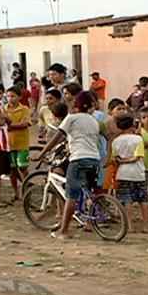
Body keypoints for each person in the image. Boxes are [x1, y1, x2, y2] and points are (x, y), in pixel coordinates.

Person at [40, 91, 101, 239]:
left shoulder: (71, 118)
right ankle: (89, 222)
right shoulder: (93, 120)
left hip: (78, 158)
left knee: (71, 195)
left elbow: (57, 137)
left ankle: (64, 231)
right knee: (88, 191)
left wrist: (42, 153)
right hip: (94, 159)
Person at [113, 114, 148, 233]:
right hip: (138, 173)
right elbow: (137, 157)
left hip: (122, 174)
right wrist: (129, 159)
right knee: (143, 201)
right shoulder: (138, 139)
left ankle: (130, 226)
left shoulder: (116, 141)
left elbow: (116, 159)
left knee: (127, 201)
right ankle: (146, 226)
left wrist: (123, 160)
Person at [5, 85, 31, 201]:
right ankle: (16, 192)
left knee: (23, 167)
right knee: (12, 170)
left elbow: (25, 124)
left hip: (22, 144)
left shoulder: (24, 109)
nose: (10, 98)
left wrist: (9, 126)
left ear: (19, 97)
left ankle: (26, 190)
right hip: (9, 144)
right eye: (9, 96)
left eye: (13, 96)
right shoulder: (3, 109)